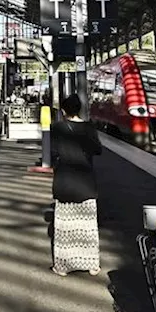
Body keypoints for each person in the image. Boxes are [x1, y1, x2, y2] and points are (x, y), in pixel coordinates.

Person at [50, 93, 102, 276]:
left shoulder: (57, 128)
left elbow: (52, 153)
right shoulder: (89, 127)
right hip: (85, 181)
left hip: (64, 181)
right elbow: (98, 150)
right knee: (88, 227)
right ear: (80, 109)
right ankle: (92, 264)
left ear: (63, 110)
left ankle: (63, 267)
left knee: (65, 227)